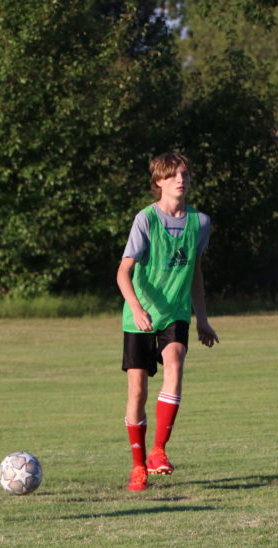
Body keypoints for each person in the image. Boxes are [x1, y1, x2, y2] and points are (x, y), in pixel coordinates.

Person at [117, 152, 219, 491]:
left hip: (175, 313)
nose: (181, 180)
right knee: (137, 392)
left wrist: (202, 319)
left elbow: (196, 274)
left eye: (185, 174)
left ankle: (158, 451)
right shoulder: (145, 220)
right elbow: (123, 273)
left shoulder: (199, 222)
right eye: (173, 175)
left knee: (175, 361)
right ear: (159, 181)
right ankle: (138, 466)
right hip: (140, 317)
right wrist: (136, 308)